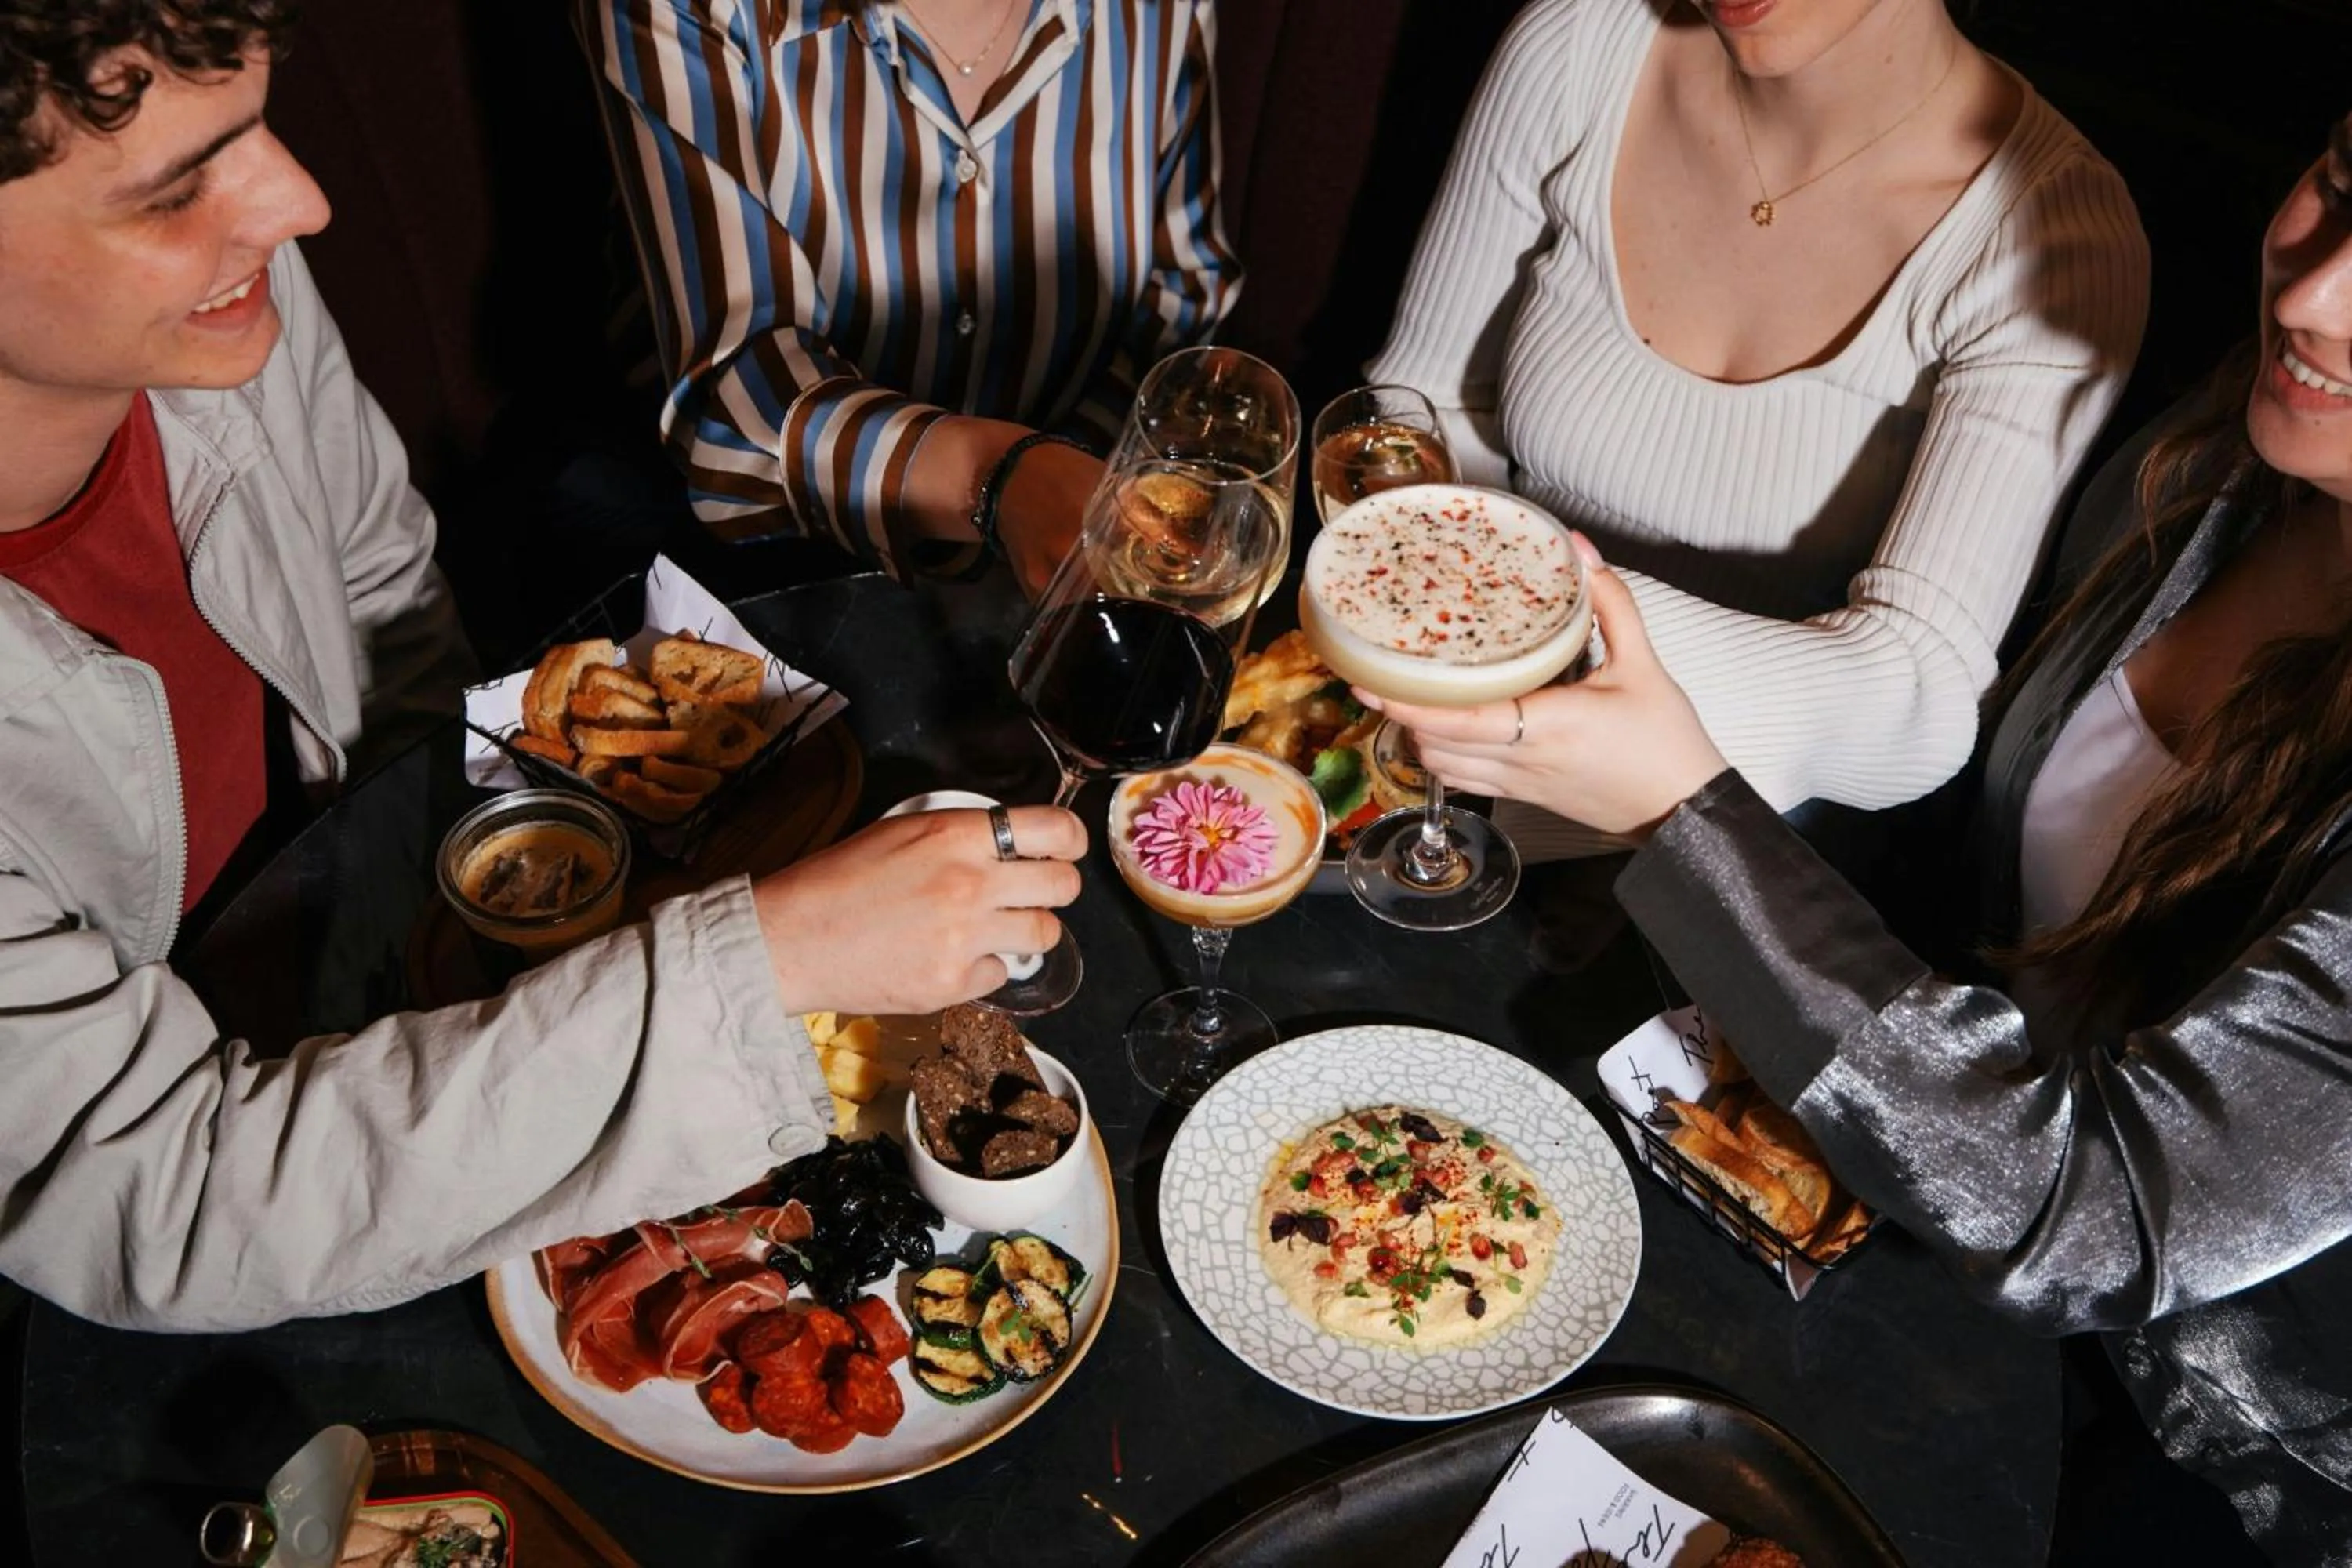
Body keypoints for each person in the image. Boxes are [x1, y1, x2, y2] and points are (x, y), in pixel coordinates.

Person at [0, 2, 1085, 1332]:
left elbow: (387, 597)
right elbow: (162, 1200)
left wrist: (484, 973)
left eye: (259, 129)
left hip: (377, 1036)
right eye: (177, 190)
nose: (299, 202)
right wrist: (767, 959)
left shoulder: (220, 315)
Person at [1374, 112, 2352, 1561]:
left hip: (2209, 1482)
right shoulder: (2225, 456)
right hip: (1927, 1249)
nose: (2313, 293)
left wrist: (1677, 810)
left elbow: (2080, 1216)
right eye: (2339, 179)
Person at [1367, 0, 2148, 824]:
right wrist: (1476, 656)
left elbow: (1917, 694)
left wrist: (1537, 616)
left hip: (1741, 822)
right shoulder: (1576, 44)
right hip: (1446, 728)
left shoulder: (2058, 239)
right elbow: (1429, 401)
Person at [576, 0, 1242, 594]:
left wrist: (1074, 489)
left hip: (1071, 548)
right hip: (743, 562)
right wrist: (1002, 481)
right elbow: (735, 394)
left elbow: (1180, 291)